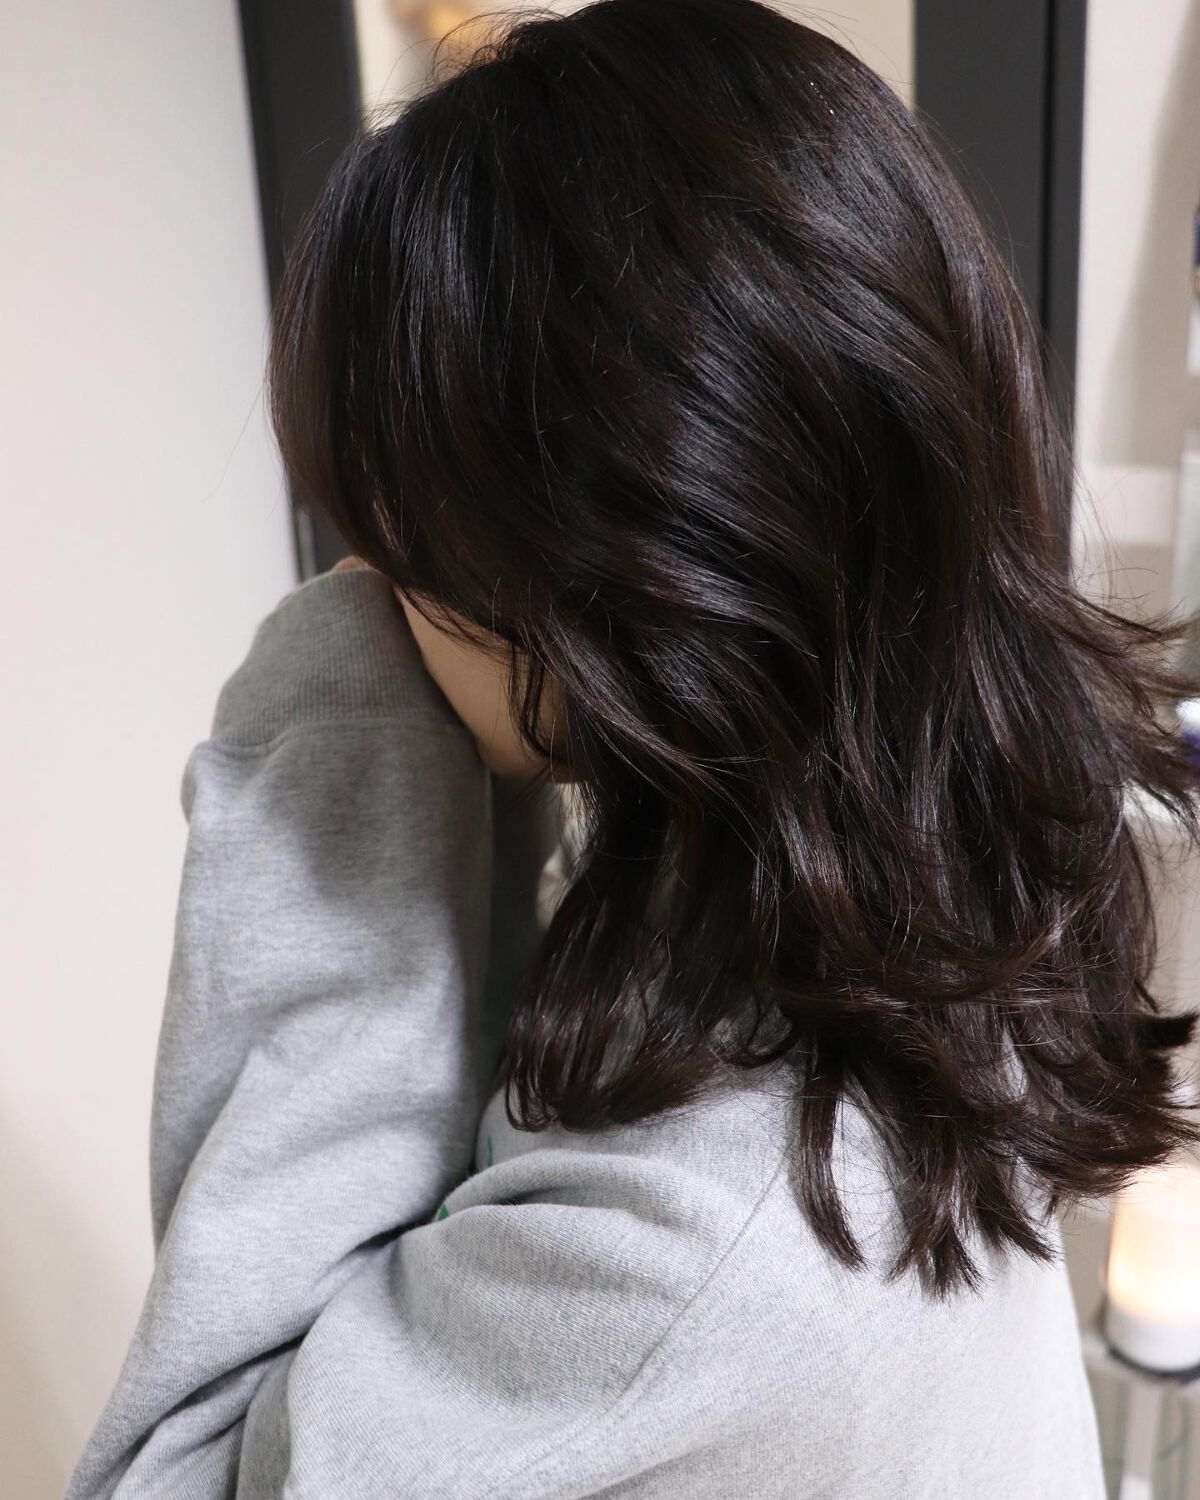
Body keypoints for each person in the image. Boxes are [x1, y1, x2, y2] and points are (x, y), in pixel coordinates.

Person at [67, 1, 1200, 1495]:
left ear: (596, 594)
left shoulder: (700, 1230)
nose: (375, 575)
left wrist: (333, 703)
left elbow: (179, 1469)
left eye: (393, 522)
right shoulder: (931, 920)